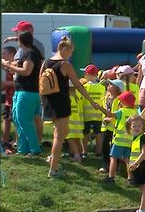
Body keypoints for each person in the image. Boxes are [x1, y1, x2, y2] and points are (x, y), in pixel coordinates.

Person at [40, 36, 102, 177]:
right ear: (64, 49)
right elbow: (78, 85)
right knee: (59, 137)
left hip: (49, 101)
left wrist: (43, 102)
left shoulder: (46, 63)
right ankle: (53, 169)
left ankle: (52, 159)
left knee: (60, 132)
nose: (71, 54)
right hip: (61, 102)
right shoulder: (65, 65)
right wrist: (91, 101)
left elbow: (41, 83)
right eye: (71, 51)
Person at [1, 31, 43, 157]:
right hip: (23, 92)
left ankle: (35, 149)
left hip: (28, 93)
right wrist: (5, 64)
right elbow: (15, 65)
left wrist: (9, 66)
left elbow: (26, 71)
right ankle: (23, 149)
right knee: (19, 120)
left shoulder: (29, 53)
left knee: (24, 121)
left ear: (21, 41)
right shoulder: (27, 52)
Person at [102, 91, 138, 183]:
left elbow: (110, 115)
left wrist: (100, 108)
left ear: (125, 102)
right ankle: (130, 178)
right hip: (130, 140)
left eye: (121, 101)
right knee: (127, 159)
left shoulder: (121, 111)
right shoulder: (135, 112)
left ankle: (111, 177)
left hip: (119, 140)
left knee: (113, 157)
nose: (120, 102)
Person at [99, 79, 125, 173]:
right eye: (108, 84)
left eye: (111, 84)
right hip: (105, 125)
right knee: (104, 143)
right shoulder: (106, 97)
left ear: (117, 89)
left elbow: (119, 113)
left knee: (115, 146)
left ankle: (116, 165)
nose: (108, 85)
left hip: (115, 126)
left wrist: (111, 119)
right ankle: (106, 163)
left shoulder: (120, 100)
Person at [81, 64, 105, 160]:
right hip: (98, 115)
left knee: (85, 134)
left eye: (85, 73)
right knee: (98, 134)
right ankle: (98, 152)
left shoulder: (85, 86)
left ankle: (84, 152)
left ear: (88, 75)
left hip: (86, 114)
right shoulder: (102, 87)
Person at [1, 46, 15, 149]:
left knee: (16, 121)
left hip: (14, 98)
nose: (3, 56)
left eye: (4, 53)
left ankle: (17, 141)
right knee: (6, 119)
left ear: (11, 54)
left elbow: (19, 83)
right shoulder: (9, 67)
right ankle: (4, 140)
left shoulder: (16, 66)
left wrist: (5, 83)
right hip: (8, 99)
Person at [66, 80, 84, 163]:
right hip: (78, 121)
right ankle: (79, 154)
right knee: (77, 139)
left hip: (70, 122)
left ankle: (77, 156)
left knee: (71, 140)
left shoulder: (67, 97)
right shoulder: (78, 96)